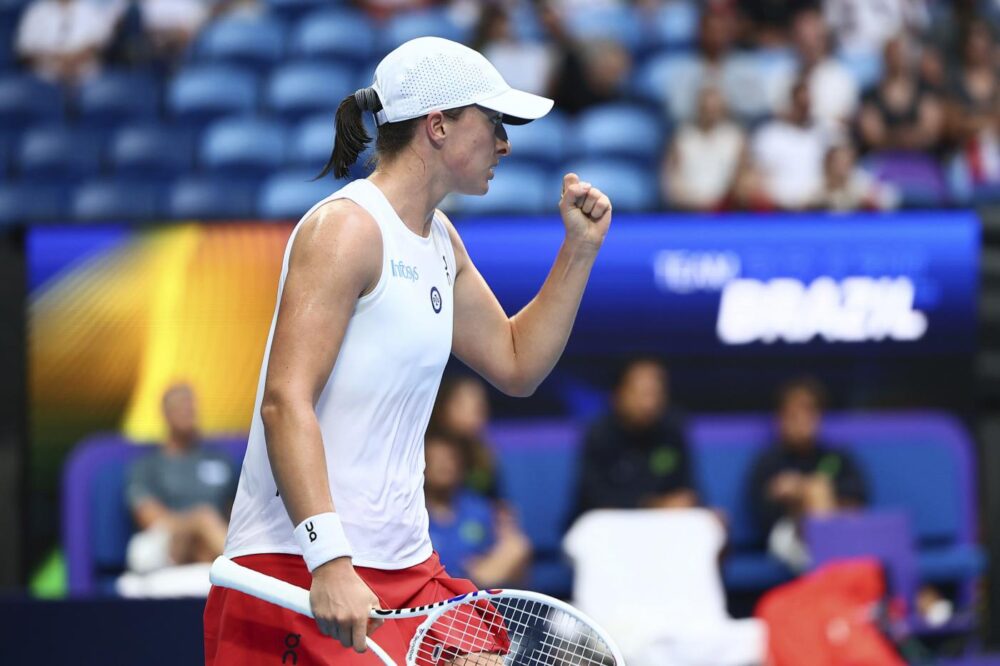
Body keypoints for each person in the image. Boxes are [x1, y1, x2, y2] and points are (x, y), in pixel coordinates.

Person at [204, 36, 612, 666]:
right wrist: (329, 560)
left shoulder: (440, 240)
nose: (505, 144)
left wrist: (578, 251)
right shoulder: (344, 229)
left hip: (408, 567)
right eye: (494, 122)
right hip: (303, 566)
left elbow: (516, 364)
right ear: (438, 125)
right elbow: (285, 401)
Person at [745, 377, 868, 572]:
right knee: (816, 490)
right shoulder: (770, 461)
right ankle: (833, 573)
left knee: (818, 489)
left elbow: (858, 503)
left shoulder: (836, 457)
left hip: (841, 530)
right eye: (793, 414)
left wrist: (806, 489)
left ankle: (834, 570)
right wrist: (795, 499)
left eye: (809, 412)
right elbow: (763, 517)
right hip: (789, 536)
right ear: (780, 419)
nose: (801, 420)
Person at [125, 383, 237, 575]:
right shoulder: (147, 466)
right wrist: (195, 524)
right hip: (166, 541)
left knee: (205, 540)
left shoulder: (219, 459)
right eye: (180, 405)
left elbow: (236, 511)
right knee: (204, 517)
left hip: (208, 543)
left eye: (190, 404)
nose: (187, 410)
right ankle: (244, 571)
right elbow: (149, 518)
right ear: (166, 413)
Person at [572, 358, 698, 521]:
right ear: (617, 394)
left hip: (663, 525)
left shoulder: (672, 432)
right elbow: (596, 500)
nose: (648, 403)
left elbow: (687, 493)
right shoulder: (599, 435)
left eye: (655, 393)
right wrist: (653, 506)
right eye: (640, 393)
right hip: (606, 526)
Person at [424, 430, 531, 588]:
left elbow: (514, 557)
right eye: (436, 459)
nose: (445, 466)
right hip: (431, 593)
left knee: (516, 546)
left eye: (450, 459)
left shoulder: (481, 508)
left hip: (479, 591)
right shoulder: (411, 515)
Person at [751, 78, 831, 210]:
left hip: (817, 209)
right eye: (798, 104)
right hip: (778, 211)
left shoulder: (824, 133)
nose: (803, 109)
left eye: (806, 104)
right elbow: (757, 178)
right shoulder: (768, 136)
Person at [663, 85, 746, 211]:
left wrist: (721, 202)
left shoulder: (735, 137)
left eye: (714, 109)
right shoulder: (683, 137)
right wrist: (692, 200)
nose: (710, 113)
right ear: (698, 108)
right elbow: (672, 177)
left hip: (724, 210)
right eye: (706, 108)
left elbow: (741, 177)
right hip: (688, 208)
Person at [15, 0, 117, 85]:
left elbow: (101, 44)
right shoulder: (36, 11)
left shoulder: (90, 10)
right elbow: (25, 51)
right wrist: (58, 60)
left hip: (85, 76)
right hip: (45, 78)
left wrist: (75, 59)